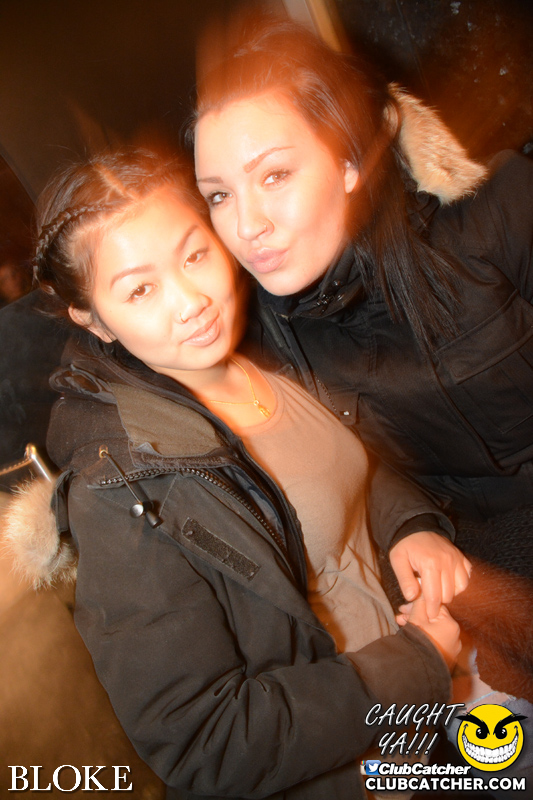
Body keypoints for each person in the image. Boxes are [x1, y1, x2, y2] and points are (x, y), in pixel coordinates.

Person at [5, 148, 459, 800]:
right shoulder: (123, 491)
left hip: (431, 705)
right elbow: (206, 741)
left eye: (194, 255)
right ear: (93, 319)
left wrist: (408, 525)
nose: (193, 301)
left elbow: (338, 460)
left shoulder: (261, 340)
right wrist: (414, 668)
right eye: (140, 289)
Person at [192, 15, 533, 699]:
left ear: (349, 162)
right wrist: (409, 526)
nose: (247, 225)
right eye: (220, 195)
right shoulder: (259, 332)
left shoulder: (494, 211)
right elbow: (347, 458)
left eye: (275, 175)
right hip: (466, 547)